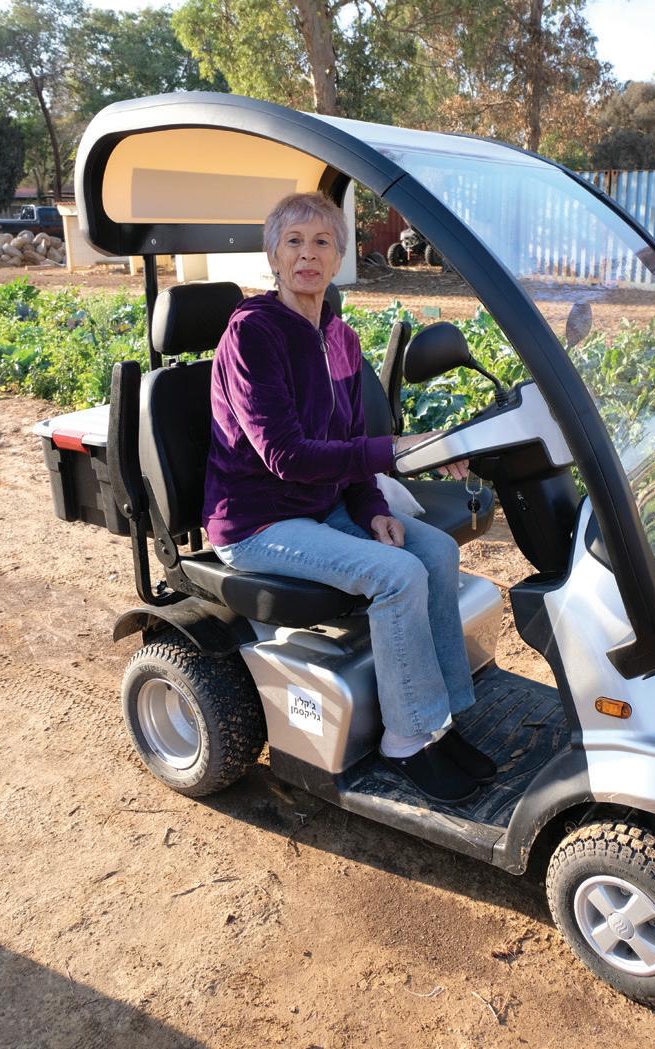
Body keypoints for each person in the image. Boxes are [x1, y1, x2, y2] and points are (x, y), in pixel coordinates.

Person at [202, 191, 496, 804]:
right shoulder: (254, 335)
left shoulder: (340, 337)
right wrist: (395, 450)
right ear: (273, 257)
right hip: (259, 521)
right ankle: (406, 740)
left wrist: (372, 508)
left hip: (323, 506)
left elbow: (348, 442)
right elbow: (286, 456)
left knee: (437, 552)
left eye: (322, 243)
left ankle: (439, 719)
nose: (307, 255)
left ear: (338, 259)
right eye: (294, 242)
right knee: (397, 575)